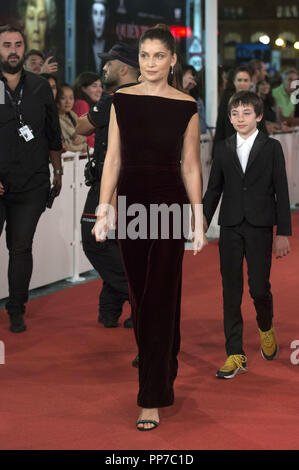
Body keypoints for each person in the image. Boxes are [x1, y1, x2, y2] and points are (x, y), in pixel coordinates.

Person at [92, 24, 207, 430]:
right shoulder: (121, 100)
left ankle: (150, 397)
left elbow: (191, 165)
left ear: (173, 60)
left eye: (160, 56)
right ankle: (164, 360)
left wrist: (198, 217)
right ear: (138, 60)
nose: (152, 63)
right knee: (143, 298)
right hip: (131, 205)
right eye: (145, 56)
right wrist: (104, 209)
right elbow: (112, 160)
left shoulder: (185, 105)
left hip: (169, 206)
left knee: (159, 294)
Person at [203, 91, 292, 379]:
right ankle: (235, 353)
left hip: (260, 226)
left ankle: (266, 327)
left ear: (258, 116)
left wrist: (283, 233)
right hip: (230, 226)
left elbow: (282, 190)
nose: (240, 118)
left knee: (258, 287)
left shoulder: (272, 147)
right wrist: (201, 221)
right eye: (234, 113)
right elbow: (214, 188)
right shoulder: (224, 147)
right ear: (229, 118)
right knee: (231, 291)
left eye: (246, 113)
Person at [0, 25, 63, 333]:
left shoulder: (38, 87)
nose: (12, 50)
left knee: (21, 247)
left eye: (17, 44)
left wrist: (59, 171)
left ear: (24, 49)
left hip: (33, 182)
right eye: (6, 45)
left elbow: (53, 132)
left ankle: (16, 309)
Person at [76, 43, 139, 329]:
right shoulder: (142, 96)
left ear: (123, 68)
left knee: (96, 241)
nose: (103, 69)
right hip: (130, 183)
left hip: (111, 181)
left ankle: (141, 299)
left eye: (108, 64)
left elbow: (81, 127)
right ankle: (110, 309)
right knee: (117, 244)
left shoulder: (115, 99)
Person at [213, 66, 269, 156]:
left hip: (253, 150)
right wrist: (215, 153)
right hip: (230, 150)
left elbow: (262, 128)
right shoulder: (226, 100)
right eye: (239, 80)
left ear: (250, 82)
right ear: (234, 81)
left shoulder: (256, 101)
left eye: (245, 80)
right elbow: (220, 126)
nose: (242, 83)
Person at [73, 72, 102, 148]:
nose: (100, 90)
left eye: (100, 86)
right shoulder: (82, 104)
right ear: (83, 88)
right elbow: (87, 138)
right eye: (94, 86)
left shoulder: (86, 104)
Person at [57, 84, 86, 153]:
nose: (68, 102)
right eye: (63, 98)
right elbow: (67, 147)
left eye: (71, 98)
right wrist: (83, 146)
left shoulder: (72, 115)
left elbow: (84, 134)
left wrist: (80, 139)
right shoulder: (56, 120)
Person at [182, 64, 208, 134]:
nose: (191, 78)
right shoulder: (174, 97)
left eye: (192, 75)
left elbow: (202, 126)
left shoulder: (197, 101)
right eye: (187, 75)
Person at [89, 0, 107, 72]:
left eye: (102, 14)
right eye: (95, 13)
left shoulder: (112, 46)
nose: (99, 21)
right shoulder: (84, 46)